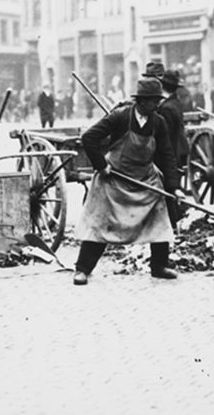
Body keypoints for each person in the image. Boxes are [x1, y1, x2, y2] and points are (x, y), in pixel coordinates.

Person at [72, 77, 182, 285]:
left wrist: (175, 187)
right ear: (141, 101)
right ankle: (83, 269)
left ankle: (159, 266)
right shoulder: (120, 117)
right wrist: (101, 166)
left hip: (145, 178)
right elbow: (89, 138)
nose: (157, 104)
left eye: (158, 100)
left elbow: (167, 155)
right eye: (152, 101)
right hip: (114, 178)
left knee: (160, 219)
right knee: (99, 223)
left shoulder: (158, 122)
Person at [158, 70, 189, 228]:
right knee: (173, 187)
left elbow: (166, 137)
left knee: (169, 187)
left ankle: (174, 221)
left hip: (171, 151)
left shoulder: (166, 108)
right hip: (179, 149)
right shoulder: (175, 103)